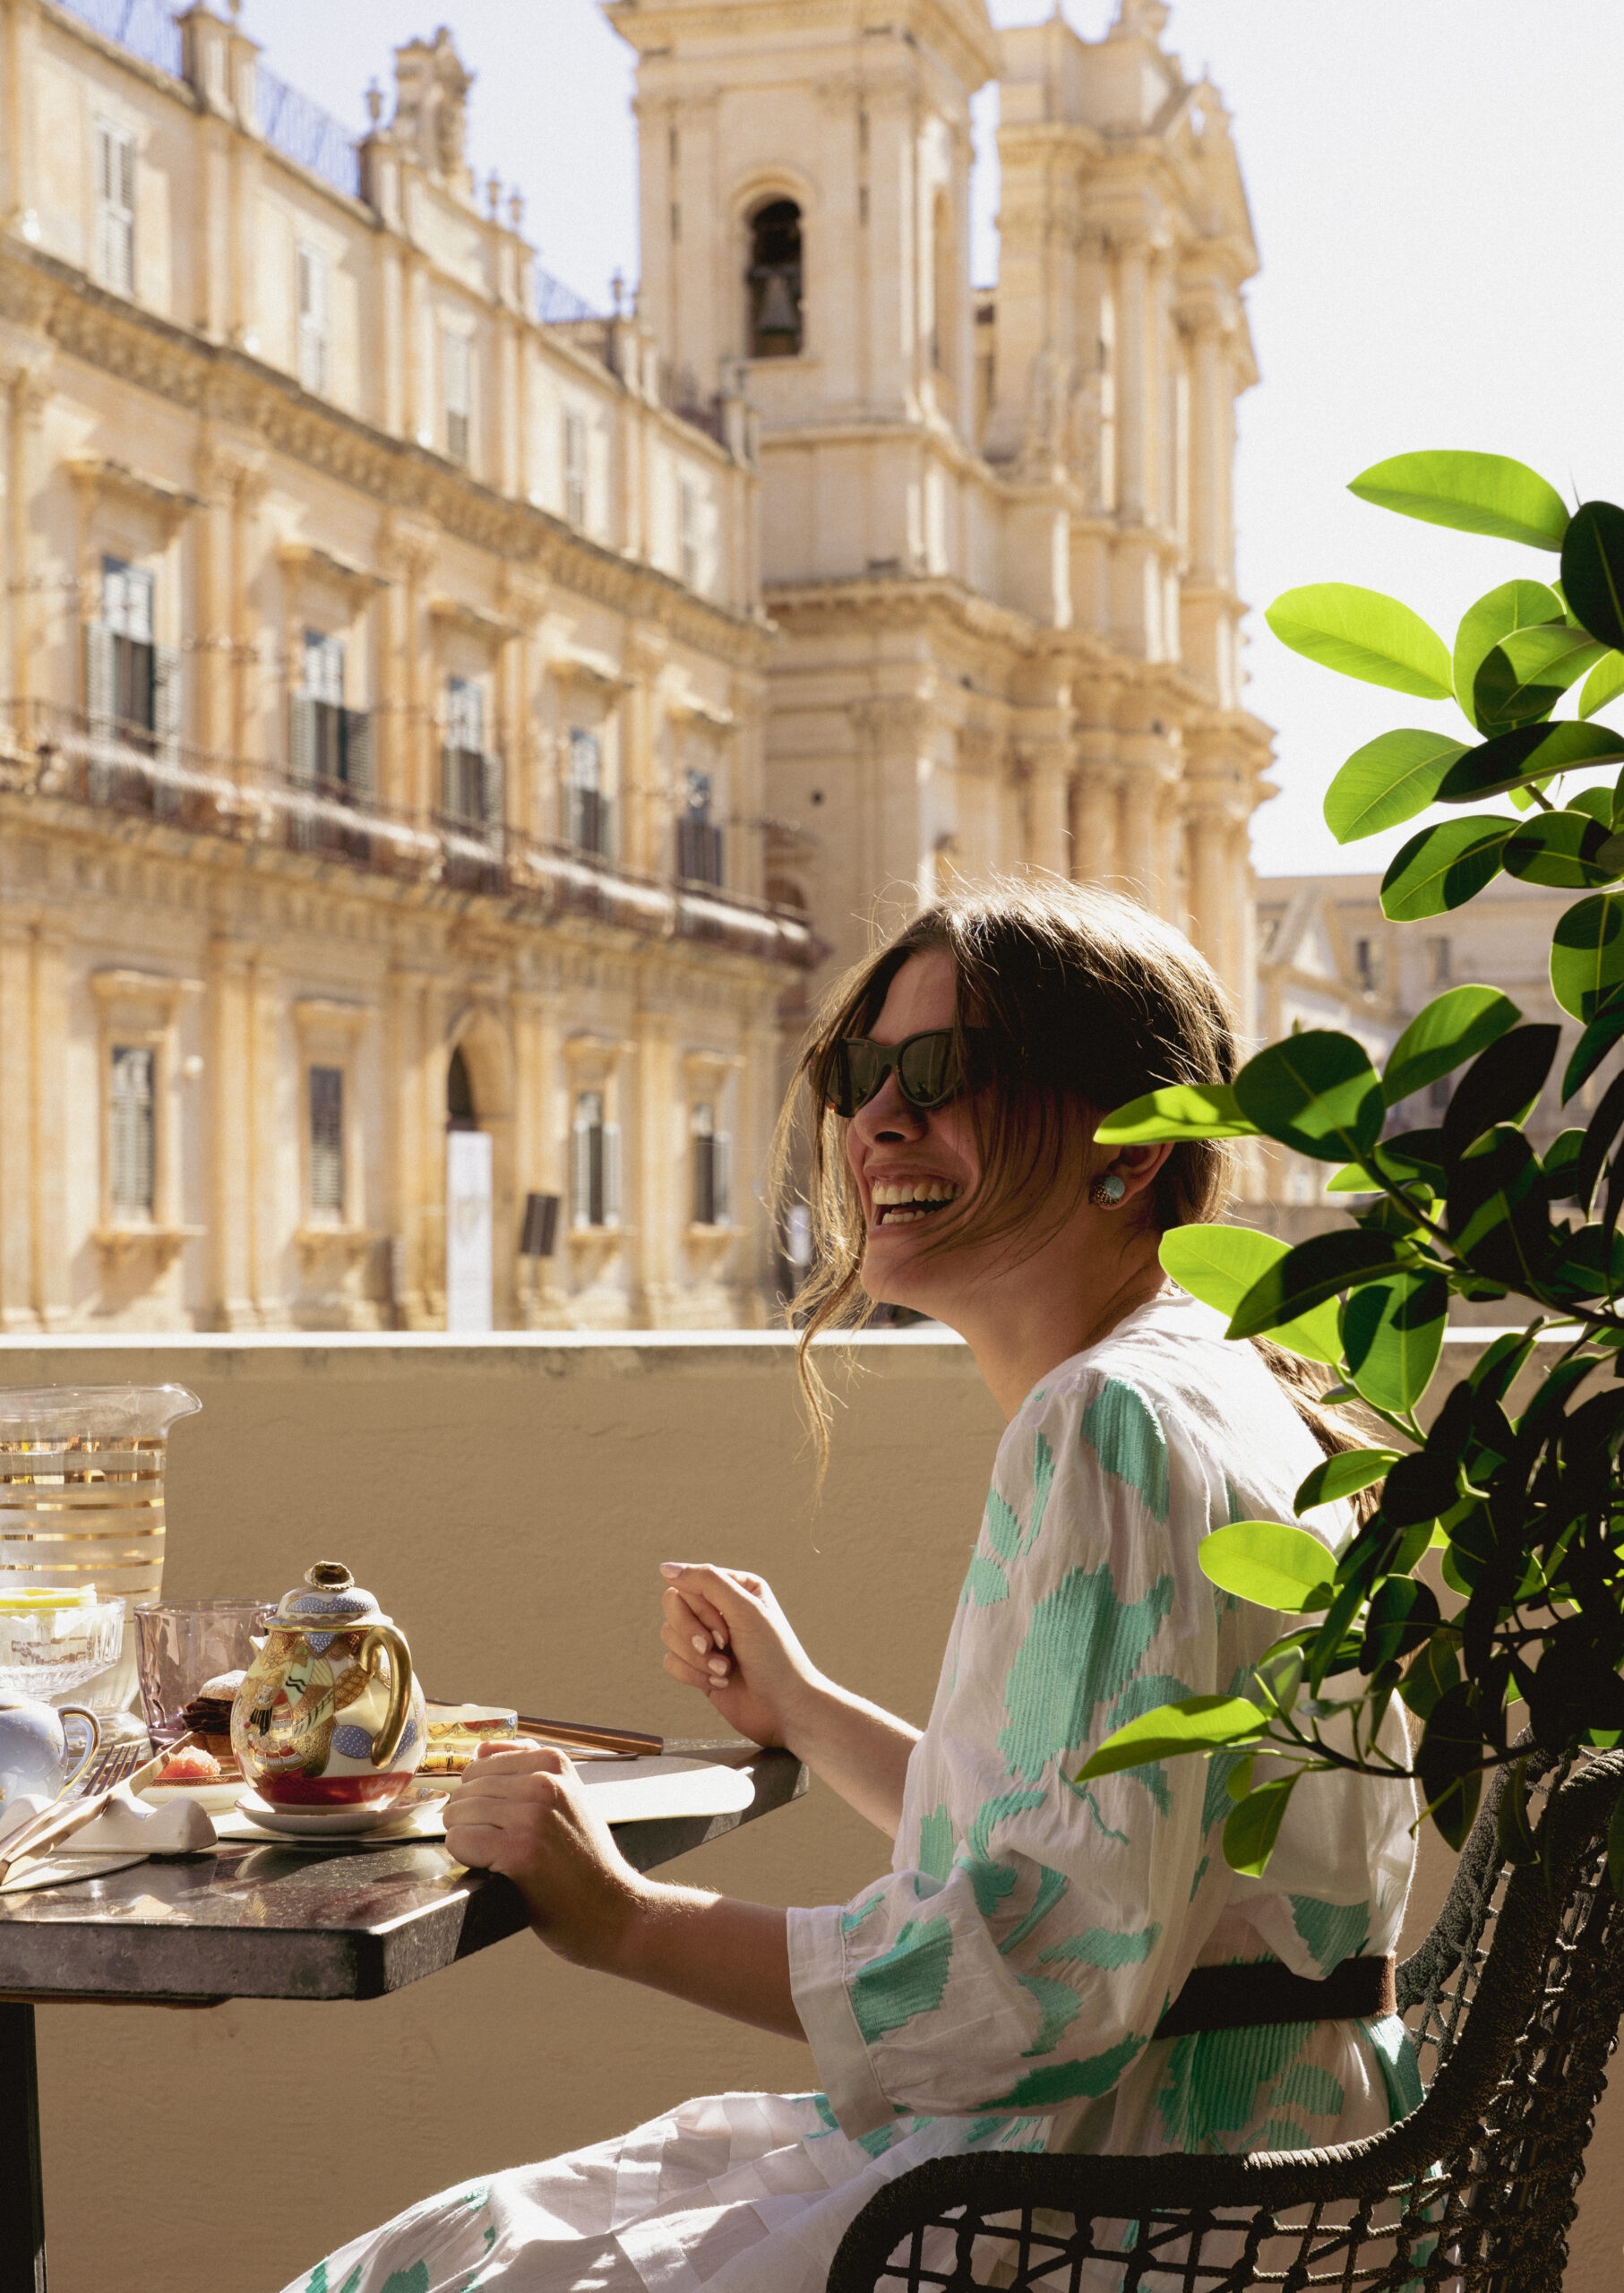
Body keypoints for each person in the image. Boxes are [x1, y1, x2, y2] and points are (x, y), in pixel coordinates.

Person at [285, 881, 1418, 2293]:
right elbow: (1104, 1849)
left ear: (1129, 1148)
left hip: (1114, 2206)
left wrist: (628, 1917)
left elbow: (1039, 1982)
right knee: (472, 2241)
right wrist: (811, 1712)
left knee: (436, 2268)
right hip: (1250, 2177)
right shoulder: (1214, 1378)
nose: (876, 1121)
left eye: (940, 1077)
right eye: (855, 1075)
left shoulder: (1106, 1425)